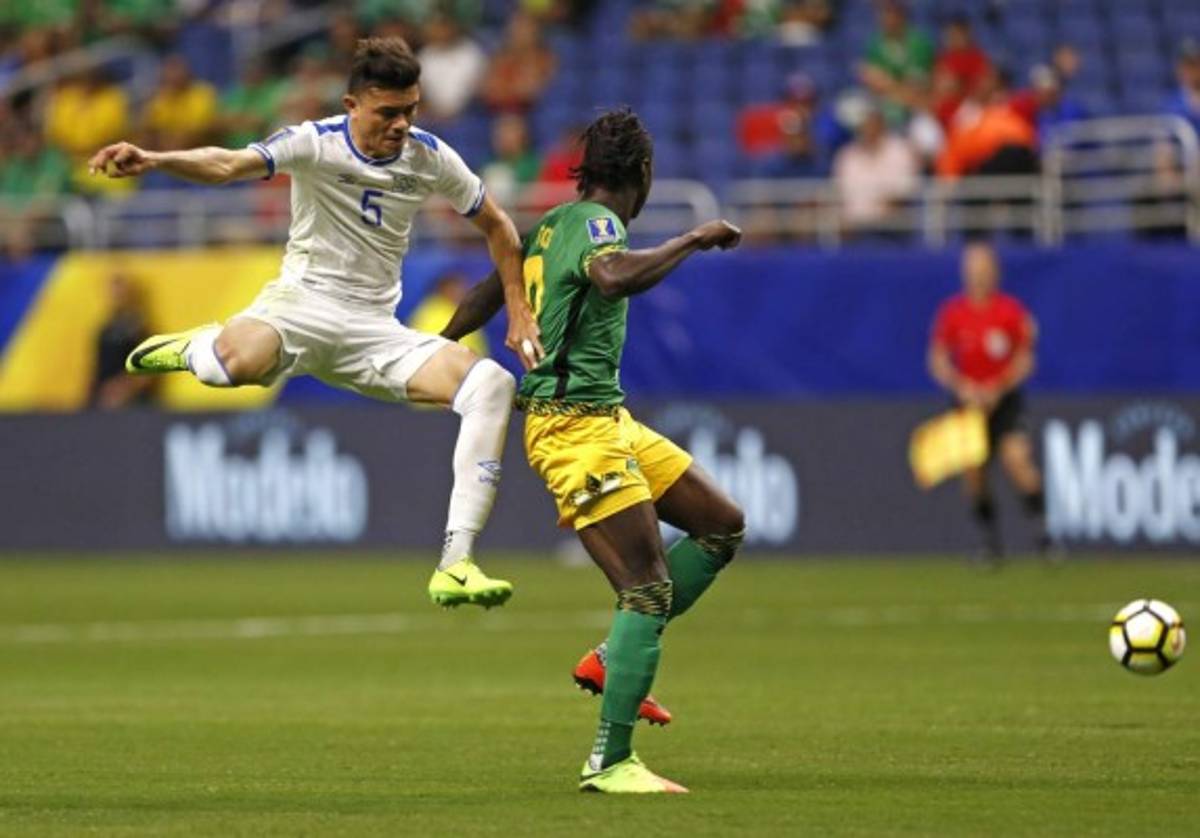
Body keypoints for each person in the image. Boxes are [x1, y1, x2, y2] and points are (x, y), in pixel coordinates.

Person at [87, 37, 544, 608]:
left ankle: (456, 562)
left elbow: (500, 228)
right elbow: (229, 164)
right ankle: (198, 348)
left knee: (492, 385)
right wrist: (155, 160)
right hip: (299, 308)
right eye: (387, 113)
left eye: (410, 111)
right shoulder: (314, 142)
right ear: (352, 104)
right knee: (238, 365)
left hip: (374, 328)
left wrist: (519, 309)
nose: (401, 125)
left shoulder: (431, 157)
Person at [440, 109, 746, 793]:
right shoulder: (601, 226)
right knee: (646, 589)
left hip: (608, 418)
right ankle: (610, 761)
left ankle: (613, 661)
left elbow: (495, 288)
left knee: (721, 523)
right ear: (642, 172)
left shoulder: (550, 225)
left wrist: (438, 343)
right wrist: (694, 237)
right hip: (572, 426)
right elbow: (610, 277)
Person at [927, 241, 1048, 562]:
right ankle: (990, 543)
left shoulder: (1009, 312)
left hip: (1003, 401)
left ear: (994, 272)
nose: (978, 275)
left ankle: (1043, 534)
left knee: (1017, 461)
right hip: (968, 404)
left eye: (983, 269)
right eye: (972, 269)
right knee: (974, 474)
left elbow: (1025, 359)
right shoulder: (954, 313)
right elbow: (938, 360)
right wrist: (962, 386)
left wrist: (998, 387)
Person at [89, 273, 157, 410]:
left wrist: (122, 388)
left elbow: (149, 370)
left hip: (132, 403)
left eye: (120, 292)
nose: (116, 297)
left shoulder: (139, 328)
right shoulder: (105, 327)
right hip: (102, 401)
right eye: (113, 292)